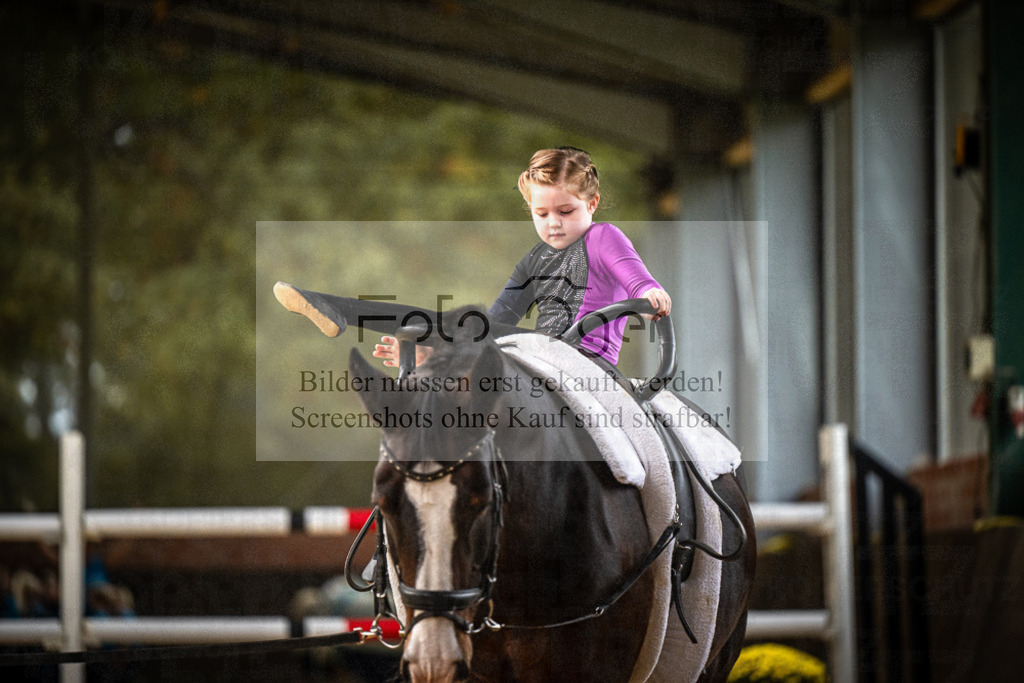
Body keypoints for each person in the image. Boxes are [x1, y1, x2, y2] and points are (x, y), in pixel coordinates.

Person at [373, 146, 671, 368]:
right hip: (540, 361)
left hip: (590, 368)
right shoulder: (535, 259)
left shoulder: (604, 237)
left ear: (592, 203)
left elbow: (636, 278)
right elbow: (494, 324)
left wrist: (649, 294)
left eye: (565, 211)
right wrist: (439, 354)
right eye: (541, 214)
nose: (553, 222)